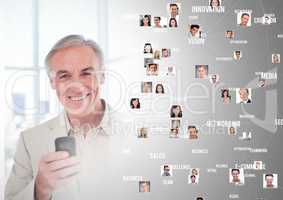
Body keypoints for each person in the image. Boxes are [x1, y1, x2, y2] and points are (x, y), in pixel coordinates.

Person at [5, 35, 130, 200]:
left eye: (86, 73)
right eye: (64, 76)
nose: (76, 86)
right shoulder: (30, 141)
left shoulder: (140, 134)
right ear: (52, 82)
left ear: (102, 76)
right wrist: (40, 189)